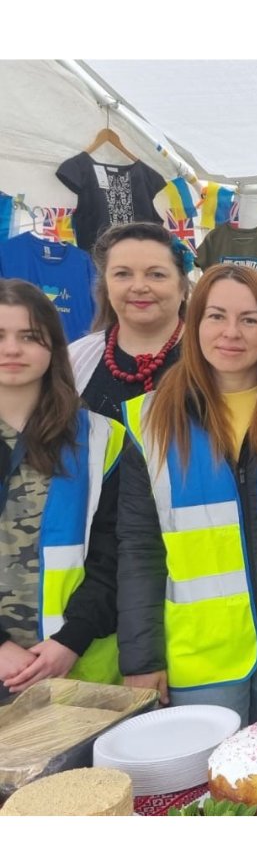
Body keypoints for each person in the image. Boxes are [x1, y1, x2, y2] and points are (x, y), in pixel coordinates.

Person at [116, 265, 257, 727]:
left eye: (250, 320)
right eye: (216, 316)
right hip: (200, 655)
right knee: (209, 794)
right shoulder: (150, 421)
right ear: (193, 322)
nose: (231, 333)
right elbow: (139, 551)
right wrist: (141, 659)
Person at [0, 279, 126, 702]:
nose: (13, 349)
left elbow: (116, 553)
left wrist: (70, 640)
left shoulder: (101, 439)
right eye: (0, 336)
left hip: (75, 665)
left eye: (30, 336)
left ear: (54, 347)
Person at [69, 222, 191, 421]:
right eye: (122, 274)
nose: (139, 286)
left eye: (156, 274)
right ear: (106, 287)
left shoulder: (213, 356)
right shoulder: (75, 360)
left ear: (183, 287)